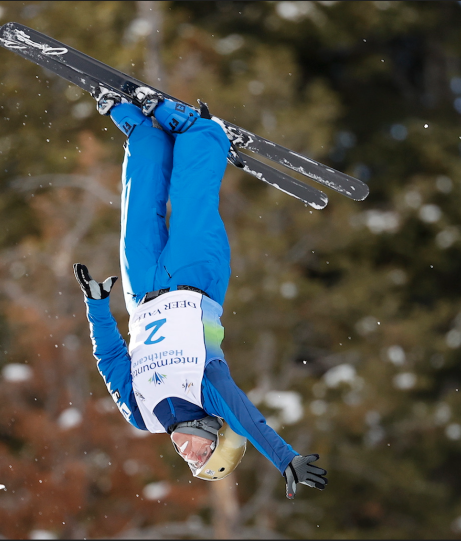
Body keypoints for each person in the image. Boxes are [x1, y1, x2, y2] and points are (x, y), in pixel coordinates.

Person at [73, 86, 327, 499]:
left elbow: (110, 359)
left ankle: (143, 133)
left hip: (141, 291)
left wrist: (97, 306)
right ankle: (200, 131)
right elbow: (247, 418)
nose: (187, 454)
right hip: (196, 281)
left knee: (137, 208)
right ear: (216, 434)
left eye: (191, 462)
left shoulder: (143, 416)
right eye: (201, 454)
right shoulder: (208, 390)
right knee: (193, 202)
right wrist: (285, 458)